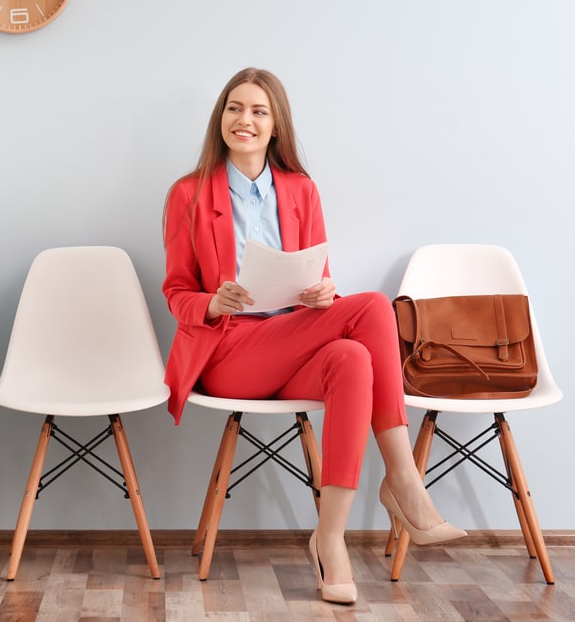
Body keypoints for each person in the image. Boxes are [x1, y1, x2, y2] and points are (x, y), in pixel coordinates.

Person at [161, 67, 466, 605]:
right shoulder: (188, 194)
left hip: (292, 340)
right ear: (221, 117)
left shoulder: (301, 191)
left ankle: (329, 540)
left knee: (351, 355)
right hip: (230, 351)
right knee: (372, 306)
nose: (244, 120)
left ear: (276, 125)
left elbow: (318, 280)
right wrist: (212, 301)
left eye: (258, 111)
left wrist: (323, 294)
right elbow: (176, 290)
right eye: (235, 108)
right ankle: (404, 479)